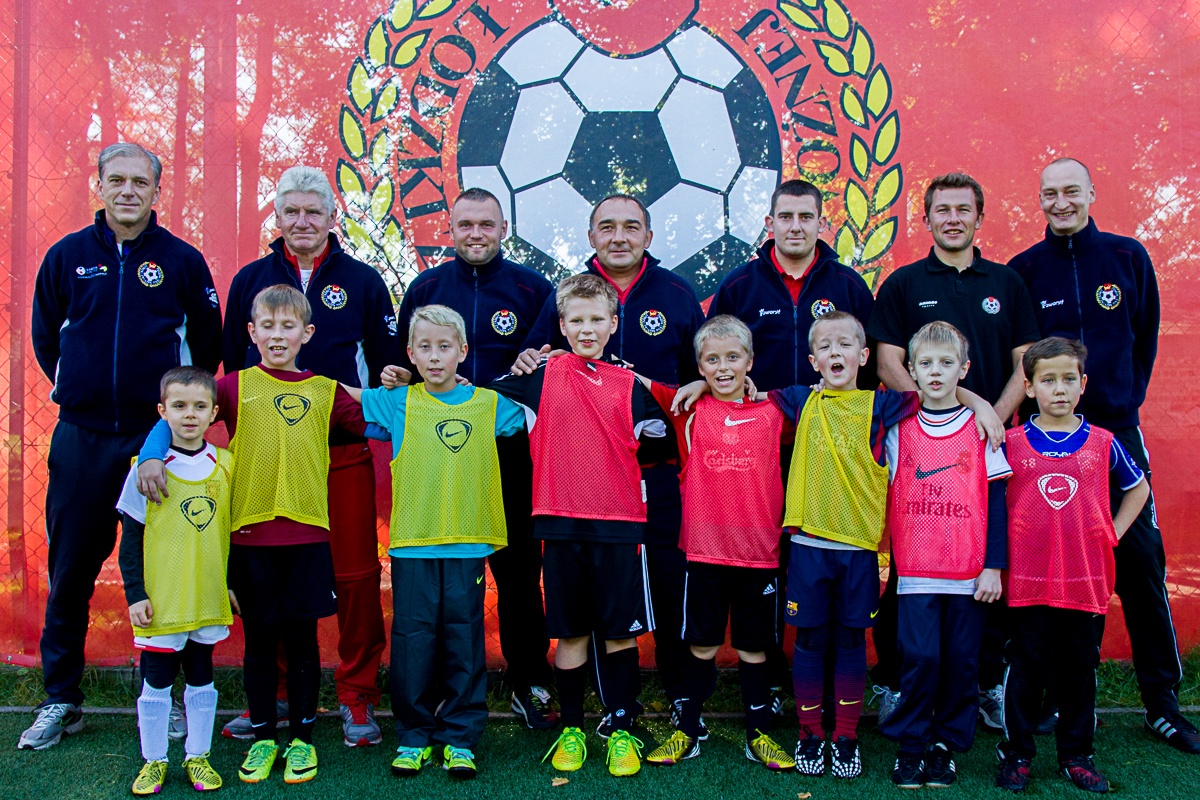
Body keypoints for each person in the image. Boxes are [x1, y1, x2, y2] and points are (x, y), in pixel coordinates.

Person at [137, 285, 383, 785]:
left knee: (303, 642)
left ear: (306, 333)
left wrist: (415, 391)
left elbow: (381, 421)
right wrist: (149, 454)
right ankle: (265, 737)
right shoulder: (234, 387)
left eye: (288, 326)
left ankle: (303, 740)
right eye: (267, 326)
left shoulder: (325, 390)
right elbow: (182, 408)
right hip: (250, 539)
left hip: (308, 537)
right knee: (260, 643)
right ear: (251, 332)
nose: (277, 335)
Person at [23, 143, 222, 751]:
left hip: (152, 439)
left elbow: (205, 352)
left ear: (157, 190)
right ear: (101, 186)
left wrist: (164, 428)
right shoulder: (66, 257)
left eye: (140, 181)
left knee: (160, 575)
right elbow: (47, 340)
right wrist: (81, 391)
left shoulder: (183, 262)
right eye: (117, 180)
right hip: (81, 438)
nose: (128, 191)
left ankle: (162, 696)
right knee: (70, 571)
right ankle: (61, 699)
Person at [1009, 157, 1199, 754]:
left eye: (1072, 191)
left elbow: (1145, 338)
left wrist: (1120, 401)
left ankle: (1162, 705)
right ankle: (1050, 699)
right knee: (1047, 572)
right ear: (1040, 200)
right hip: (1046, 442)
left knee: (1141, 565)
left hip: (1113, 433)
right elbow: (1020, 356)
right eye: (1050, 194)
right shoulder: (1024, 270)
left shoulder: (1126, 257)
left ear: (1091, 192)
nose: (1061, 202)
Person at [768, 312, 1001, 779]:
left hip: (859, 552)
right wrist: (699, 385)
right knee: (809, 642)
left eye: (845, 345)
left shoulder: (884, 407)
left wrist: (981, 404)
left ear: (864, 356)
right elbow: (743, 394)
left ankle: (847, 737)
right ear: (813, 361)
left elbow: (937, 391)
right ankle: (810, 734)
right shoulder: (798, 399)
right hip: (808, 546)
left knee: (852, 641)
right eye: (825, 347)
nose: (835, 353)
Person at [217, 166, 397, 746]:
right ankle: (271, 698)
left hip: (340, 455)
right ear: (277, 216)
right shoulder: (250, 280)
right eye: (290, 211)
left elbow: (388, 367)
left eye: (312, 211)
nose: (301, 221)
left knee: (355, 575)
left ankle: (356, 694)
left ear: (331, 217)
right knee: (267, 574)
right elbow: (232, 369)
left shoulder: (363, 281)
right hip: (268, 460)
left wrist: (386, 387)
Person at [514, 194, 705, 738]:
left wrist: (695, 386)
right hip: (583, 482)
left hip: (656, 472)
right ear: (591, 235)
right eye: (607, 226)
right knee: (585, 607)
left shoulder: (676, 294)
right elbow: (534, 363)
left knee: (665, 584)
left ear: (648, 235)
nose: (619, 236)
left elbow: (702, 372)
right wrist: (529, 361)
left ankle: (678, 696)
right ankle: (609, 712)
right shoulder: (568, 293)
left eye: (630, 226)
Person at [867, 173, 1040, 729]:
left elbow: (1025, 365)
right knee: (911, 571)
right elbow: (888, 363)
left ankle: (984, 685)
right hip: (923, 445)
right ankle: (898, 682)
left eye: (963, 209)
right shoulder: (903, 283)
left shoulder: (1007, 283)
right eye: (942, 210)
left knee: (984, 570)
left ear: (978, 217)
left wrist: (991, 419)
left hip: (987, 448)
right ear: (927, 219)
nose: (953, 219)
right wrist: (957, 406)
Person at [388, 188, 556, 728]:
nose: (476, 234)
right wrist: (397, 374)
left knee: (519, 573)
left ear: (503, 228)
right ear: (451, 228)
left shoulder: (533, 288)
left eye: (486, 224)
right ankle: (440, 689)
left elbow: (550, 368)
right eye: (465, 224)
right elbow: (402, 364)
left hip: (509, 453)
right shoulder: (426, 288)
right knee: (443, 579)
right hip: (438, 457)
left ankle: (528, 681)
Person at [707, 178, 876, 714]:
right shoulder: (740, 285)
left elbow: (872, 363)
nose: (796, 226)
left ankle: (831, 678)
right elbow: (715, 355)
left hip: (832, 457)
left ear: (821, 223)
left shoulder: (848, 285)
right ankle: (776, 679)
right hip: (758, 451)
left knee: (824, 560)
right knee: (770, 561)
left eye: (806, 216)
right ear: (770, 223)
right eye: (786, 216)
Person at [493, 274, 670, 778]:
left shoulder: (632, 387)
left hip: (619, 527)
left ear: (614, 324)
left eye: (597, 319)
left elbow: (668, 428)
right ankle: (572, 729)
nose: (587, 329)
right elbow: (476, 400)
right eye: (577, 320)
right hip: (560, 525)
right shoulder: (537, 378)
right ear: (562, 325)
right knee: (569, 634)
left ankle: (621, 728)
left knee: (619, 635)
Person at [348, 305, 527, 780]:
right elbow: (340, 397)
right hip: (413, 544)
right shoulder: (399, 401)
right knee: (413, 642)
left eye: (444, 347)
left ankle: (460, 738)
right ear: (409, 353)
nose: (434, 356)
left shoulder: (489, 404)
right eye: (424, 347)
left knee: (464, 641)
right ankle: (413, 735)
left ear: (462, 351)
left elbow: (539, 408)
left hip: (469, 544)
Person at [639, 316, 795, 772]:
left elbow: (828, 399)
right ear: (699, 365)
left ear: (750, 360)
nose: (723, 367)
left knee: (753, 648)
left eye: (732, 357)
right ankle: (687, 731)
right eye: (712, 360)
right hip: (704, 552)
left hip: (759, 553)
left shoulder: (777, 412)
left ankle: (758, 733)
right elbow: (632, 378)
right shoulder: (686, 410)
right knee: (701, 644)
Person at [995, 337, 1150, 793]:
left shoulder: (1102, 442)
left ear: (1083, 384)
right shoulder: (1011, 443)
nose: (1059, 389)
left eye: (1068, 379)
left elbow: (1138, 488)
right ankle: (1017, 754)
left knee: (1079, 668)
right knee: (1026, 667)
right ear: (1028, 387)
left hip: (1085, 578)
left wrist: (1112, 531)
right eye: (1047, 380)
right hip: (1028, 580)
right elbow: (990, 499)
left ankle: (1077, 755)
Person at [877, 322, 1011, 789]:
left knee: (960, 662)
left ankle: (944, 747)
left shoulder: (979, 427)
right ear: (911, 370)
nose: (936, 372)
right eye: (926, 363)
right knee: (920, 659)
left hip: (969, 572)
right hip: (916, 570)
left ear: (964, 369)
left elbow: (997, 501)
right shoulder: (898, 428)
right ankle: (912, 744)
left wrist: (993, 565)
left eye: (946, 363)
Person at [117, 367, 233, 794]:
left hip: (206, 595)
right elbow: (130, 540)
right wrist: (135, 594)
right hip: (162, 599)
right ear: (162, 411)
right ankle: (154, 760)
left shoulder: (226, 465)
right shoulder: (145, 470)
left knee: (202, 676)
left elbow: (234, 534)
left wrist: (231, 583)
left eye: (200, 406)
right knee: (157, 680)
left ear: (213, 413)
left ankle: (198, 757)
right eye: (179, 406)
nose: (189, 415)